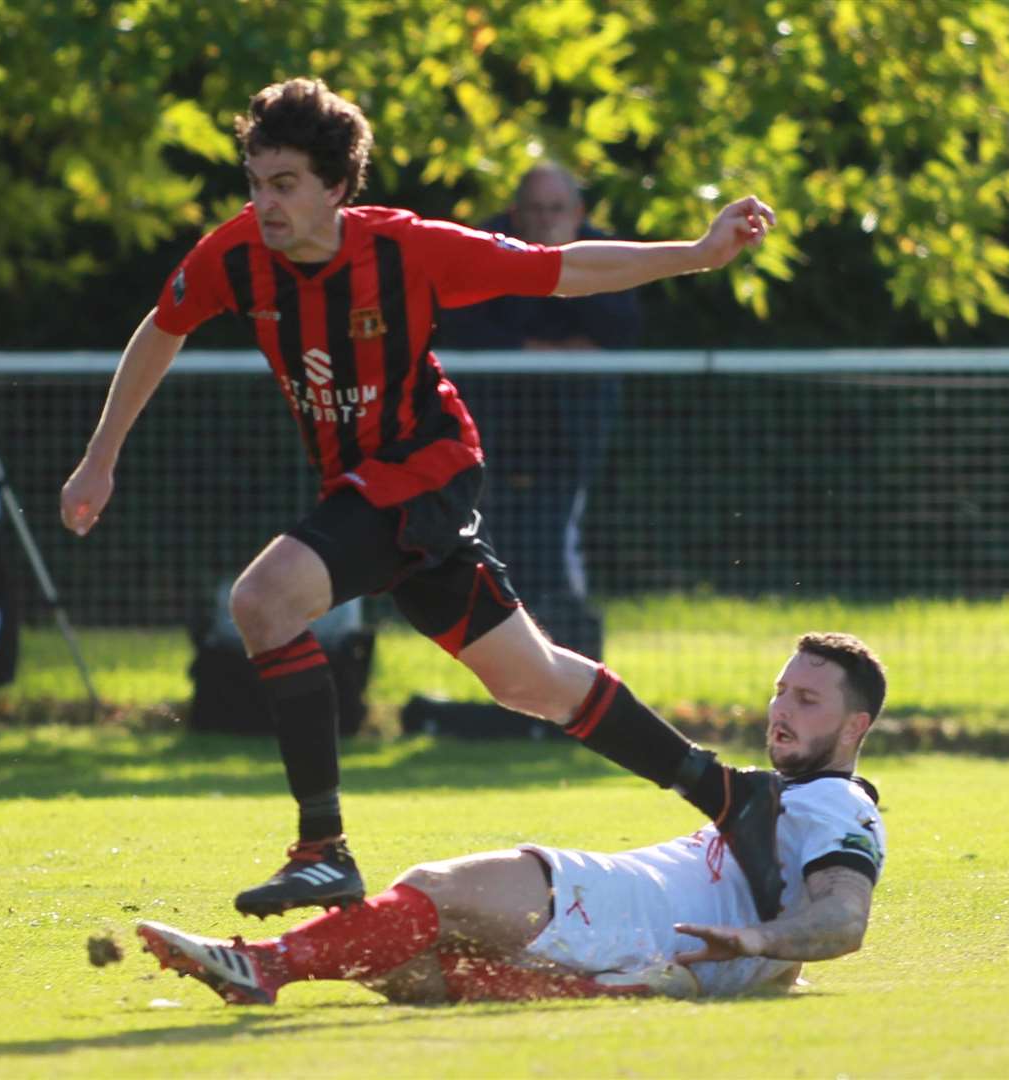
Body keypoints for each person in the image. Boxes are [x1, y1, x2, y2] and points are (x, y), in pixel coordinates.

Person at [60, 77, 783, 923]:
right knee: (531, 682)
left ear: (336, 185)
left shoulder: (405, 250)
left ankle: (321, 850)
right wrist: (98, 459)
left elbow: (560, 270)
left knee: (263, 600)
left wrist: (695, 252)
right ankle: (731, 794)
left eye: (284, 184)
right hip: (369, 492)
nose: (264, 204)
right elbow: (162, 326)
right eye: (255, 183)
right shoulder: (233, 258)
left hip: (427, 468)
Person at [137, 633, 888, 1005]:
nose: (782, 712)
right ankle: (597, 997)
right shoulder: (788, 794)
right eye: (780, 692)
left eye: (808, 701)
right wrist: (759, 964)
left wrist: (755, 942)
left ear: (854, 728)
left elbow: (844, 920)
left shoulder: (837, 802)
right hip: (645, 941)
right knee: (406, 968)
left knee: (434, 888)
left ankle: (263, 966)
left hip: (630, 910)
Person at [438, 163, 641, 660]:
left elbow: (620, 329)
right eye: (536, 210)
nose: (546, 219)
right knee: (492, 542)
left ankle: (569, 661)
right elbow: (461, 326)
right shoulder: (485, 247)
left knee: (554, 539)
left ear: (577, 213)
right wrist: (541, 336)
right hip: (494, 428)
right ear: (515, 213)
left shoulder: (601, 251)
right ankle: (507, 664)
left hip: (571, 432)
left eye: (557, 211)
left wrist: (566, 261)